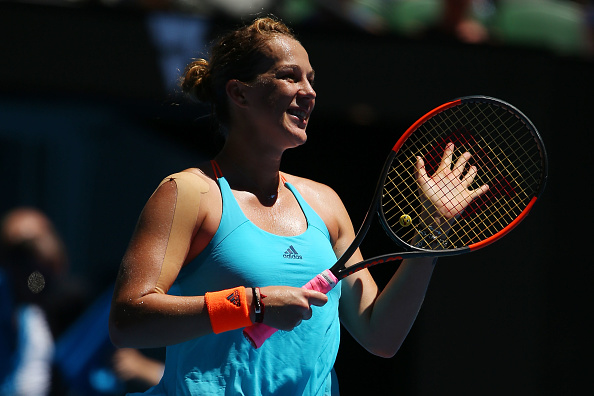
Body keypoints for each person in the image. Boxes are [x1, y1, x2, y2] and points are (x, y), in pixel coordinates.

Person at [108, 16, 488, 395]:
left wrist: (432, 230)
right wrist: (253, 305)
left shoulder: (325, 202)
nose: (309, 92)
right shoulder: (190, 192)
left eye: (311, 79)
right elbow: (128, 321)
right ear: (239, 93)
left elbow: (381, 335)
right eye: (291, 76)